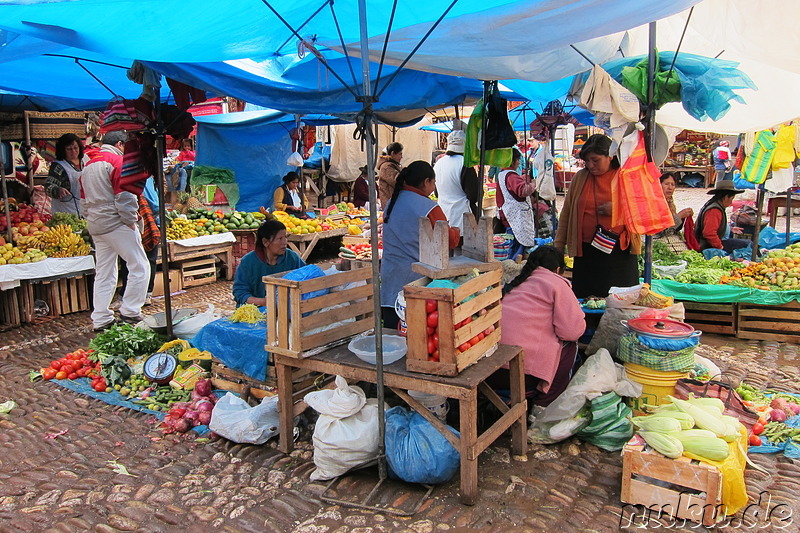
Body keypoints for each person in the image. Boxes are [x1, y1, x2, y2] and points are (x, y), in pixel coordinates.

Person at [492, 246, 585, 406]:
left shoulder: (514, 283)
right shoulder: (558, 284)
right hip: (521, 375)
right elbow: (572, 332)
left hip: (492, 372)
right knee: (570, 345)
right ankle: (543, 405)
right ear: (558, 269)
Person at [554, 134, 640, 299]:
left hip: (619, 254)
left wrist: (617, 210)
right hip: (586, 253)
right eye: (587, 161)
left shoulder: (625, 176)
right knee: (586, 301)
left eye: (595, 160)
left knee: (618, 302)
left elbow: (643, 208)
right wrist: (559, 245)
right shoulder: (580, 178)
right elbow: (567, 212)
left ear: (610, 156)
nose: (590, 165)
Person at [81, 131, 150, 331]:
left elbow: (84, 201)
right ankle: (130, 310)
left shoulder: (88, 166)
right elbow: (125, 196)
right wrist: (130, 221)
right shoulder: (116, 161)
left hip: (96, 225)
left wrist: (91, 220)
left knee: (104, 272)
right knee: (139, 265)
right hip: (116, 223)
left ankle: (101, 318)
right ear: (120, 144)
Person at [380, 161, 460, 330]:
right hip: (416, 283)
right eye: (434, 182)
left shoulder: (391, 203)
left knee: (392, 336)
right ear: (426, 182)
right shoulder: (428, 207)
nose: (434, 186)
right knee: (415, 339)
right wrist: (456, 230)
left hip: (389, 281)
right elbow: (450, 241)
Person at [233, 219, 305, 306]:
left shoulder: (292, 258)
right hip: (255, 312)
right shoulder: (248, 262)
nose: (284, 242)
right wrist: (265, 302)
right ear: (265, 242)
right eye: (280, 239)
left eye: (285, 237)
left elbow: (306, 279)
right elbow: (240, 293)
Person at [433, 130, 480, 230]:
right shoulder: (465, 164)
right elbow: (474, 196)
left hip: (444, 216)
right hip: (463, 220)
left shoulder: (438, 164)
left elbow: (437, 193)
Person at [496, 147, 538, 258]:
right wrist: (533, 184)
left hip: (509, 215)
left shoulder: (502, 174)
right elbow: (522, 190)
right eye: (518, 160)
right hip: (515, 217)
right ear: (512, 160)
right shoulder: (511, 175)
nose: (519, 163)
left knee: (512, 242)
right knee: (516, 246)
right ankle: (513, 266)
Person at [695, 180, 750, 253]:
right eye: (731, 199)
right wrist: (720, 247)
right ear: (726, 197)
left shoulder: (717, 206)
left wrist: (730, 229)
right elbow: (709, 233)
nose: (731, 202)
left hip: (716, 242)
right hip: (708, 246)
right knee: (748, 245)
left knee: (745, 242)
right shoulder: (714, 210)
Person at [654, 172, 694, 253]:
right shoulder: (655, 203)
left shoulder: (670, 203)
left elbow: (673, 228)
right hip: (657, 239)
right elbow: (660, 231)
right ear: (659, 185)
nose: (670, 187)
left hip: (668, 237)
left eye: (673, 184)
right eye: (666, 184)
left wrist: (683, 217)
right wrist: (678, 216)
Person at [45, 133, 84, 215]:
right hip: (65, 211)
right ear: (63, 150)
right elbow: (48, 187)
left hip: (85, 209)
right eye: (69, 149)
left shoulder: (86, 160)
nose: (73, 151)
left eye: (76, 148)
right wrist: (58, 190)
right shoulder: (58, 166)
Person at [377, 142, 403, 208]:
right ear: (393, 153)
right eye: (400, 154)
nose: (401, 157)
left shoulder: (393, 165)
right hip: (390, 204)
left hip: (394, 203)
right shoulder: (386, 167)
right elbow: (398, 181)